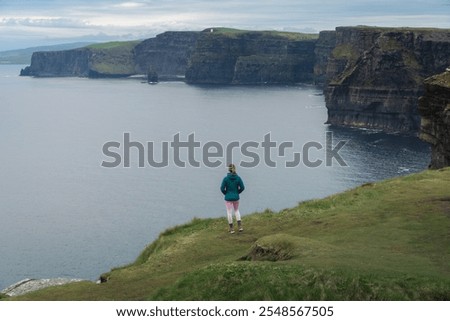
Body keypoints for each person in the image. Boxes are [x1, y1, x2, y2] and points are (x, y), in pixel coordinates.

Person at [220, 164, 245, 233]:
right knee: (236, 210)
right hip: (236, 197)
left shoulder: (225, 178)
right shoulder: (238, 178)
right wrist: (237, 193)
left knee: (229, 212)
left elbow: (222, 188)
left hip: (228, 198)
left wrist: (226, 194)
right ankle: (240, 227)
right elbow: (242, 188)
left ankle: (231, 229)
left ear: (229, 169)